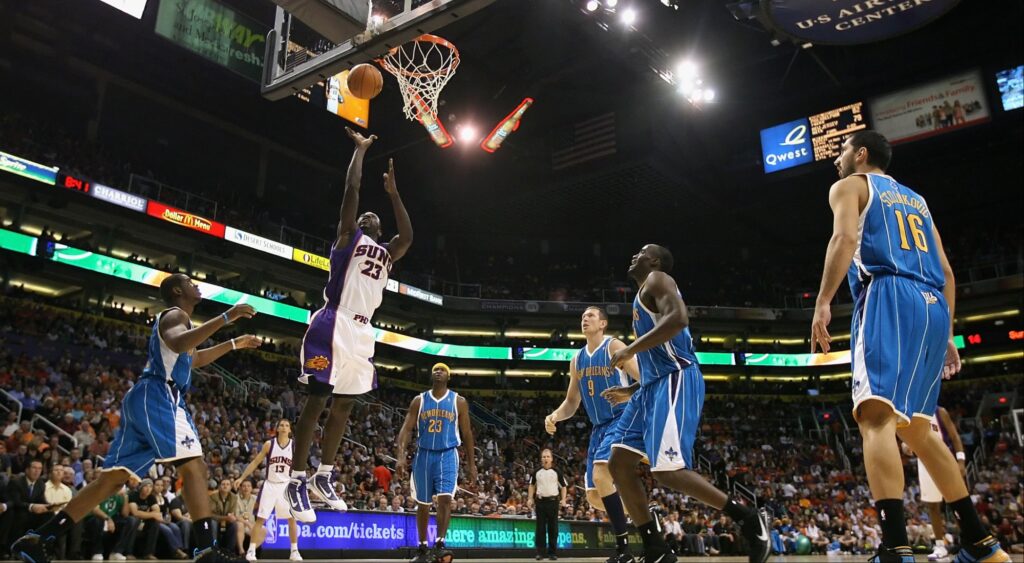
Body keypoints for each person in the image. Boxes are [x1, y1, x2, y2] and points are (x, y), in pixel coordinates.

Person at [810, 130, 1009, 563]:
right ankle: (980, 544)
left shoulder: (850, 186)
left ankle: (895, 548)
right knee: (919, 429)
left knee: (875, 418)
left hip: (889, 295)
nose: (837, 161)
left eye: (842, 152)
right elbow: (949, 272)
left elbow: (843, 240)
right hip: (934, 305)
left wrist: (823, 302)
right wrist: (950, 336)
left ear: (860, 154)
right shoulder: (917, 201)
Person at [10, 273, 261, 563]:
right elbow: (179, 344)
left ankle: (39, 539)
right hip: (157, 396)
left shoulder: (182, 322)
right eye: (192, 283)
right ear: (178, 291)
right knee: (195, 467)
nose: (198, 286)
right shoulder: (174, 315)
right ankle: (205, 550)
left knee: (113, 480)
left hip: (146, 398)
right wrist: (227, 317)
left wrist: (234, 344)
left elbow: (192, 358)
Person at [601, 244, 770, 563]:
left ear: (654, 261)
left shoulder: (658, 279)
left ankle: (748, 518)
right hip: (651, 387)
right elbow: (658, 353)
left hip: (677, 378)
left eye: (641, 251)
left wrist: (629, 351)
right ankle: (655, 547)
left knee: (667, 471)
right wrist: (632, 388)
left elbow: (678, 319)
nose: (634, 254)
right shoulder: (640, 298)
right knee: (619, 463)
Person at [287, 128, 414, 522]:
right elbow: (352, 191)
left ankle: (323, 477)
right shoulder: (348, 237)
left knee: (344, 405)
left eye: (373, 218)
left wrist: (393, 193)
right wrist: (359, 152)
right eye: (364, 216)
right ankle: (295, 479)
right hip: (333, 320)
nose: (367, 215)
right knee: (317, 400)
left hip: (362, 332)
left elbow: (408, 235)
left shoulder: (387, 253)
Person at [544, 306, 640, 563]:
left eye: (591, 316)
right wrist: (554, 415)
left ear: (603, 324)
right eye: (583, 316)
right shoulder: (577, 360)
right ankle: (643, 515)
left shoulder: (613, 347)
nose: (585, 319)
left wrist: (627, 393)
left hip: (622, 417)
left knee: (600, 474)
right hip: (598, 427)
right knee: (595, 496)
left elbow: (644, 377)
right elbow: (572, 403)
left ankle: (623, 550)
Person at [395, 363, 477, 563]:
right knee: (422, 504)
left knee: (445, 499)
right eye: (435, 370)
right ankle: (422, 548)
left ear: (448, 377)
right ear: (431, 375)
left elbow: (466, 433)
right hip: (424, 454)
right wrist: (400, 455)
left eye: (442, 370)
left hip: (448, 454)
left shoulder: (459, 401)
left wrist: (472, 464)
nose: (438, 372)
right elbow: (406, 429)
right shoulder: (419, 400)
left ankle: (440, 543)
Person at [899, 405, 967, 562]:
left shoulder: (940, 411)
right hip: (924, 461)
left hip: (945, 459)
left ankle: (968, 540)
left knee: (957, 503)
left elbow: (955, 437)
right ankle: (940, 546)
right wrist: (906, 446)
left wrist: (961, 461)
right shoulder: (912, 415)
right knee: (933, 505)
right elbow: (907, 443)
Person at [233, 419, 301, 562]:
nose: (283, 427)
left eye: (287, 425)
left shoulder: (294, 446)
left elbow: (299, 467)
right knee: (260, 519)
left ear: (290, 430)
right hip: (270, 485)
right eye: (281, 425)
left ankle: (294, 551)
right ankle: (251, 551)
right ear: (277, 429)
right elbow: (255, 462)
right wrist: (241, 477)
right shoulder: (269, 444)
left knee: (291, 519)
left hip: (285, 485)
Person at [527, 449, 567, 561]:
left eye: (548, 457)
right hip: (540, 502)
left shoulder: (557, 472)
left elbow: (563, 486)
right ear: (541, 458)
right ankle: (540, 553)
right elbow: (531, 485)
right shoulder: (536, 472)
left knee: (553, 528)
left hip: (553, 502)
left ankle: (552, 553)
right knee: (540, 528)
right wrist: (530, 498)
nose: (545, 459)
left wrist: (563, 499)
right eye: (544, 457)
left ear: (551, 459)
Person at [83, 486, 137, 561]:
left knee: (131, 520)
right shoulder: (99, 491)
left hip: (111, 519)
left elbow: (125, 514)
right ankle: (97, 552)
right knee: (97, 520)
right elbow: (95, 510)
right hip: (95, 518)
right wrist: (108, 519)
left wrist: (125, 498)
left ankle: (117, 552)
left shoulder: (119, 495)